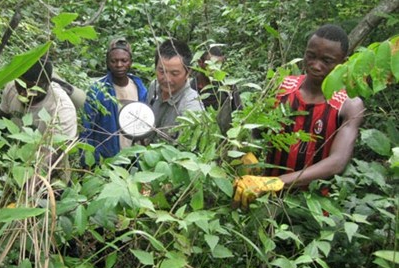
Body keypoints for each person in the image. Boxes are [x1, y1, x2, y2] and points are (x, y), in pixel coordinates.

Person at [233, 24, 365, 208]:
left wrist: (277, 182)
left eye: (326, 61)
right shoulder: (281, 87)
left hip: (311, 206)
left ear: (344, 62)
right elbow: (255, 130)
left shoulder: (349, 103)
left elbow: (337, 161)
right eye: (311, 56)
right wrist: (247, 152)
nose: (316, 65)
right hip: (262, 197)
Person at [0, 57, 78, 179]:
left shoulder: (61, 108)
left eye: (32, 89)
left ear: (47, 83)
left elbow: (55, 156)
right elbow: (0, 121)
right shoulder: (11, 88)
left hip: (50, 176)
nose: (24, 93)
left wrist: (27, 187)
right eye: (20, 85)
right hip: (14, 163)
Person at [80, 38, 147, 164]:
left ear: (130, 62)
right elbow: (87, 130)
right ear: (107, 63)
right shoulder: (97, 90)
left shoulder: (139, 88)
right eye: (114, 61)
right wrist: (87, 161)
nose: (119, 65)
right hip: (106, 160)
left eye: (124, 60)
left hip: (133, 158)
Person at [146, 38, 204, 142]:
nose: (167, 79)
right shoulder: (153, 87)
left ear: (188, 72)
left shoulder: (192, 106)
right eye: (161, 71)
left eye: (174, 74)